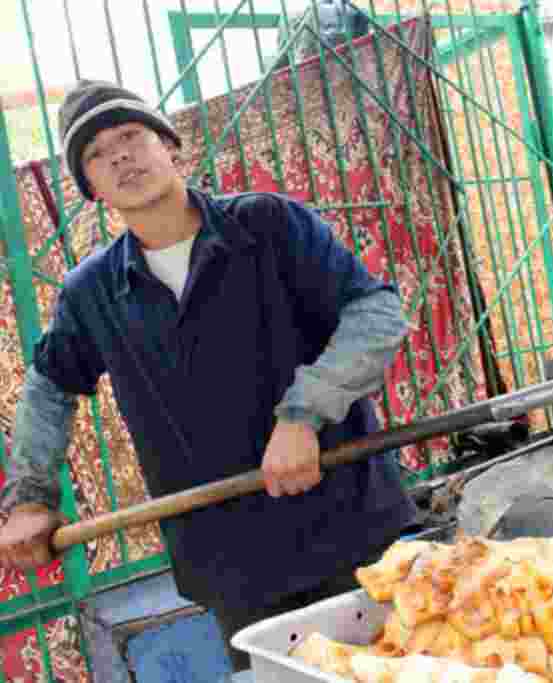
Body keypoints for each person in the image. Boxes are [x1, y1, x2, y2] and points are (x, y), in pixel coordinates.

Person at [0, 80, 417, 673]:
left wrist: (304, 414)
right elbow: (48, 389)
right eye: (96, 153)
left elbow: (376, 314)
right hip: (233, 568)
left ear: (173, 148)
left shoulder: (269, 227)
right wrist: (30, 498)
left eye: (130, 136)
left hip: (351, 532)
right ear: (91, 188)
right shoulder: (91, 294)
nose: (119, 156)